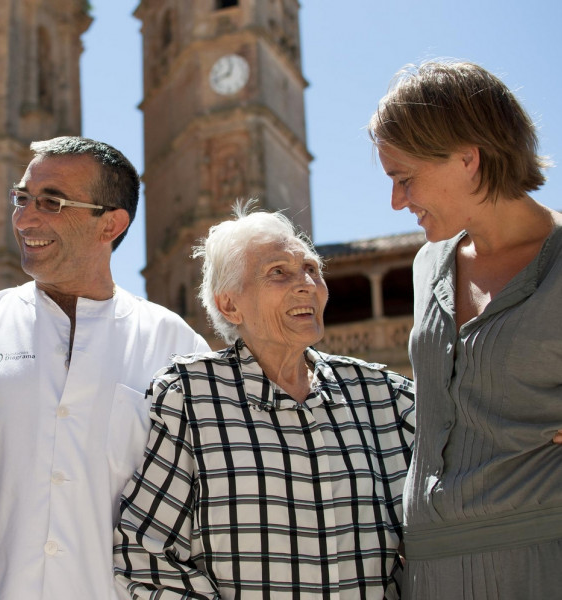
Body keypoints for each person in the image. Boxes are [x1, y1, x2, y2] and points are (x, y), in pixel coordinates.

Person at [0, 136, 209, 600]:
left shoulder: (175, 346)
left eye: (51, 202)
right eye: (21, 198)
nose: (25, 218)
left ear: (110, 224)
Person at [113, 204, 415, 599]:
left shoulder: (387, 397)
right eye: (279, 272)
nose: (307, 283)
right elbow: (146, 556)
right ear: (229, 305)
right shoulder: (190, 396)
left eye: (312, 268)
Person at [369, 60, 562, 598]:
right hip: (428, 569)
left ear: (468, 160)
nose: (397, 201)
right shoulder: (428, 264)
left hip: (541, 563)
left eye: (404, 179)